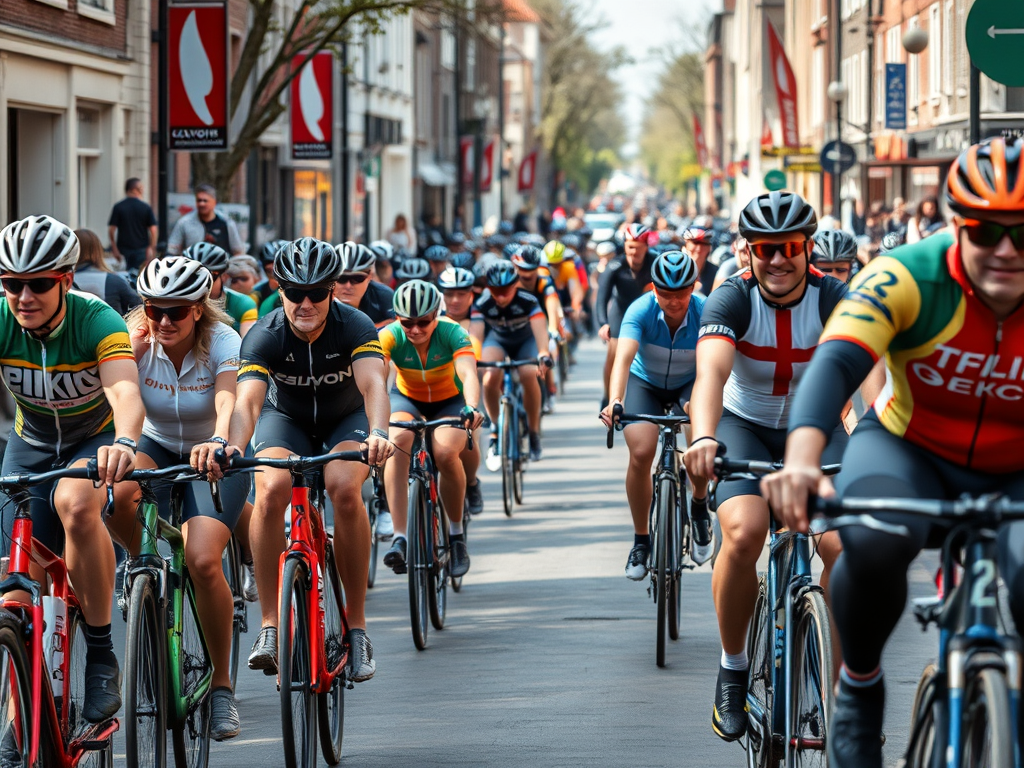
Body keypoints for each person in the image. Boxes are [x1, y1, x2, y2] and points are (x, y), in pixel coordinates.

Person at [759, 137, 1024, 768]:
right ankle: (858, 688)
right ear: (957, 227)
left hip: (1016, 467)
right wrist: (800, 458)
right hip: (912, 449)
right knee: (870, 541)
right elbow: (836, 363)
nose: (1008, 251)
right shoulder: (908, 275)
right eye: (987, 232)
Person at [682, 192, 851, 744]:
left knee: (844, 548)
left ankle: (843, 696)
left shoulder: (836, 297)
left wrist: (878, 432)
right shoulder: (731, 298)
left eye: (791, 248)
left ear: (809, 250)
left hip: (815, 428)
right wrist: (704, 437)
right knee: (745, 531)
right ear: (749, 252)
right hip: (743, 425)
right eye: (765, 249)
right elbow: (709, 376)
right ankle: (733, 668)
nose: (778, 260)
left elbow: (869, 377)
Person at [196, 237, 393, 683]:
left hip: (347, 420)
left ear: (331, 290)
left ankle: (356, 627)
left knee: (344, 488)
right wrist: (231, 444)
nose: (305, 303)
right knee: (269, 489)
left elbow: (373, 386)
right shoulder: (264, 334)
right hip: (285, 420)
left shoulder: (356, 325)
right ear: (278, 288)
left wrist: (379, 431)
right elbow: (247, 403)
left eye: (317, 293)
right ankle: (270, 625)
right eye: (294, 292)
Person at [0, 215, 144, 723]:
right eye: (11, 283)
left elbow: (125, 390)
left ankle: (102, 654)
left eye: (38, 283)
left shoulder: (96, 319)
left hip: (94, 439)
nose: (24, 296)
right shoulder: (0, 320)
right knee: (16, 594)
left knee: (77, 505)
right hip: (30, 444)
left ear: (64, 280)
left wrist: (125, 440)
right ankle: (19, 731)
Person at [111, 256, 247, 741]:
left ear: (199, 310)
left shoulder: (224, 341)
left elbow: (229, 397)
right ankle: (139, 565)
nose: (164, 321)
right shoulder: (137, 340)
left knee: (204, 561)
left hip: (214, 450)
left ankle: (224, 690)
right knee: (113, 496)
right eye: (153, 309)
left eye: (176, 311)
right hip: (156, 444)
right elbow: (117, 392)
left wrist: (217, 437)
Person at [599, 252, 713, 574]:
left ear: (694, 287)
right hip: (644, 383)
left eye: (681, 293)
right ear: (653, 287)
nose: (674, 302)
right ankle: (641, 541)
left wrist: (702, 405)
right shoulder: (640, 309)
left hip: (690, 383)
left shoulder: (707, 311)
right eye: (665, 293)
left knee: (699, 441)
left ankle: (700, 506)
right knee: (641, 452)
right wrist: (615, 400)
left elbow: (712, 369)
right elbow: (622, 361)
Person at [380, 281, 484, 576]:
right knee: (397, 442)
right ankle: (400, 537)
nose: (415, 330)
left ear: (435, 315)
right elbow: (377, 376)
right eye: (407, 322)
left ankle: (456, 535)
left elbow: (468, 372)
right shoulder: (389, 335)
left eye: (423, 322)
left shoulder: (452, 331)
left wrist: (472, 405)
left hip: (449, 400)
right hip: (407, 397)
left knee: (445, 452)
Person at [471, 261, 551, 464]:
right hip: (498, 341)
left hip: (526, 341)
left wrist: (543, 352)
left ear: (515, 285)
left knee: (527, 374)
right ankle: (496, 429)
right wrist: (472, 357)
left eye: (506, 290)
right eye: (496, 291)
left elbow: (541, 329)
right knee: (489, 376)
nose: (501, 296)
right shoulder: (482, 303)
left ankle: (533, 433)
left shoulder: (528, 300)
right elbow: (476, 334)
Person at [437, 266, 485, 514]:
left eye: (462, 294)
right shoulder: (430, 316)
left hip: (460, 390)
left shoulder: (474, 318)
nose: (455, 300)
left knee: (468, 440)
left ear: (471, 295)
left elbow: (474, 346)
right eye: (449, 293)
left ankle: (472, 482)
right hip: (426, 390)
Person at [595, 224, 656, 408]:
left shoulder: (655, 263)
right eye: (630, 247)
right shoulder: (615, 266)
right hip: (621, 314)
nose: (634, 253)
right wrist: (603, 323)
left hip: (647, 313)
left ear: (646, 247)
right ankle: (609, 397)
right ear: (624, 246)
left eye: (638, 248)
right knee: (614, 353)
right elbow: (601, 297)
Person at [183, 242, 257, 337]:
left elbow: (249, 343)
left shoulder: (243, 303)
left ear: (224, 276)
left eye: (209, 277)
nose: (200, 284)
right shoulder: (177, 302)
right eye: (193, 277)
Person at [72, 228, 141, 315]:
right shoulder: (113, 280)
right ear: (97, 251)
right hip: (113, 327)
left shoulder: (61, 281)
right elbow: (139, 307)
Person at [167, 184, 245, 257]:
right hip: (193, 268)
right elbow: (173, 249)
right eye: (199, 200)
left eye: (205, 201)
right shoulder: (184, 223)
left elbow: (238, 251)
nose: (201, 204)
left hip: (222, 269)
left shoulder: (226, 223)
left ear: (214, 202)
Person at [108, 177, 157, 270]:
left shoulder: (119, 207)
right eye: (141, 188)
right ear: (134, 190)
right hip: (141, 249)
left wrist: (114, 248)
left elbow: (111, 230)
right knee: (139, 277)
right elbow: (153, 230)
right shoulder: (145, 207)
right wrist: (152, 248)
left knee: (124, 277)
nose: (142, 191)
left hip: (123, 249)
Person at [681, 226, 718, 292]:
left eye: (704, 244)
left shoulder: (716, 273)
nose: (699, 249)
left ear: (710, 248)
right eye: (695, 243)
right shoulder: (673, 268)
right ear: (685, 245)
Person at [252, 239, 288, 305]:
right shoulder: (257, 291)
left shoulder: (298, 289)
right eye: (268, 262)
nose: (272, 266)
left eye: (276, 262)